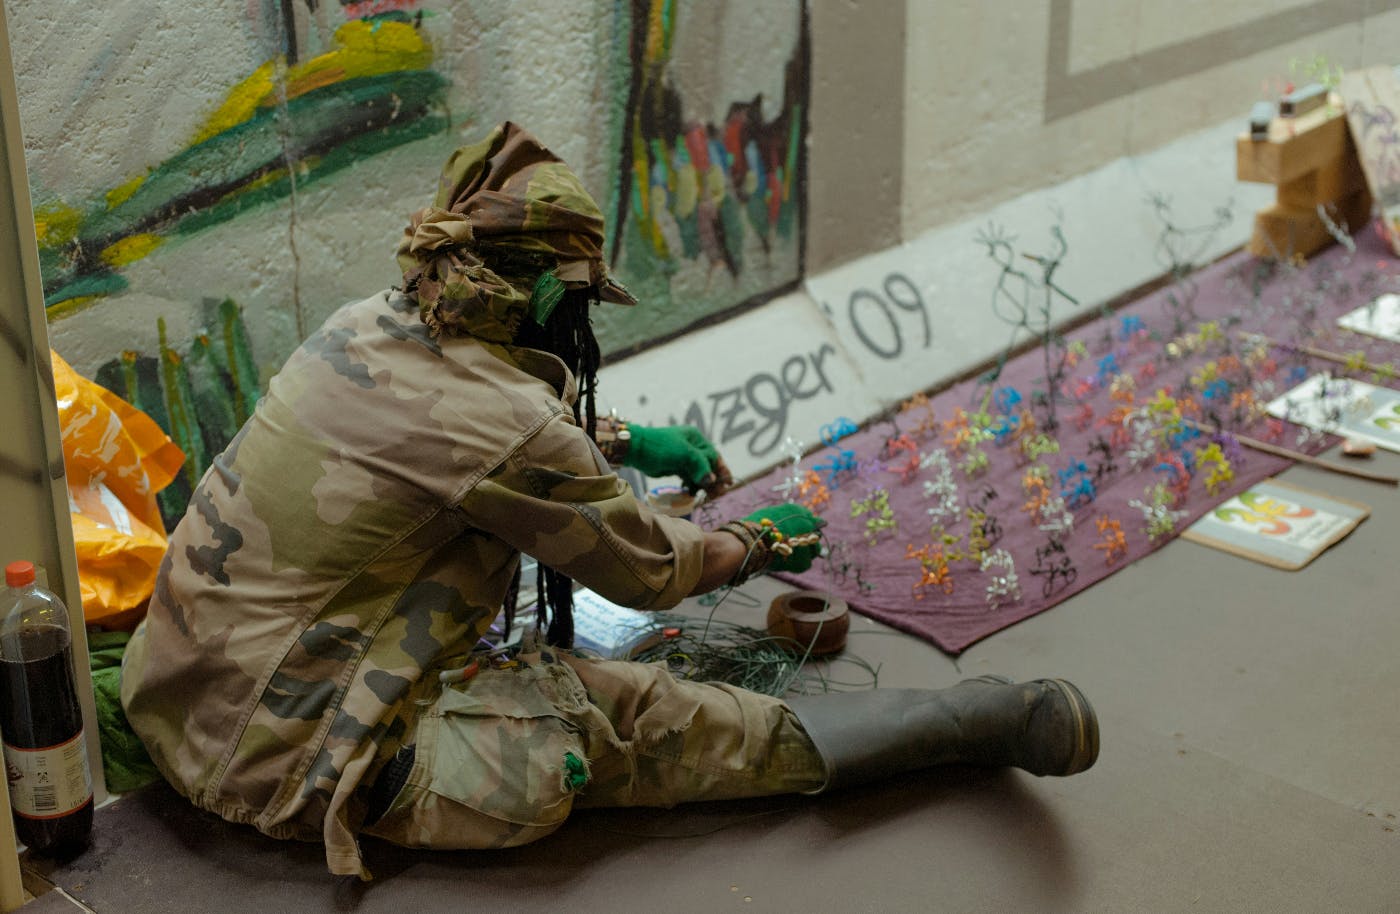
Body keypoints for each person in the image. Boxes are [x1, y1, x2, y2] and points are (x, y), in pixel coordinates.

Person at [121, 122, 1098, 880]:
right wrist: (757, 537)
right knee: (634, 717)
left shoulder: (366, 328)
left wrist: (629, 439)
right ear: (549, 294)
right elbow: (656, 571)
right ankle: (968, 724)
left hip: (181, 693)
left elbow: (463, 439)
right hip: (272, 762)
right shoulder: (503, 422)